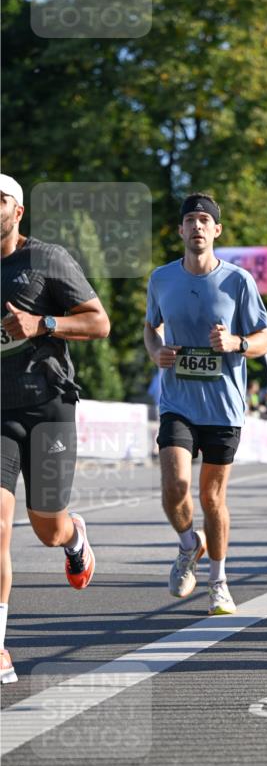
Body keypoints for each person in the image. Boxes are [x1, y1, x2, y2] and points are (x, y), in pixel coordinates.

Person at [1, 174, 111, 684]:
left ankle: (73, 537)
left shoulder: (46, 259)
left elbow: (98, 323)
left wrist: (42, 325)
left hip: (48, 406)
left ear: (18, 211)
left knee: (47, 527)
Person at [144, 191, 267, 615]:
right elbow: (150, 327)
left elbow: (264, 339)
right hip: (178, 401)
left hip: (223, 407)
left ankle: (218, 581)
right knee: (174, 487)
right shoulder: (162, 278)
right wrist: (154, 350)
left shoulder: (238, 281)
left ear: (216, 230)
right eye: (190, 220)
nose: (197, 226)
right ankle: (187, 545)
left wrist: (237, 342)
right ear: (180, 230)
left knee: (212, 498)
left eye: (205, 220)